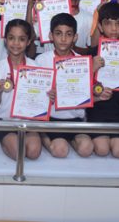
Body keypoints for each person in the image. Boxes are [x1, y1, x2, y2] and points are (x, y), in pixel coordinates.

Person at [35, 14, 94, 158]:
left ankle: (71, 141)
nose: (63, 39)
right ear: (50, 35)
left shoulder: (83, 62)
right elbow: (33, 95)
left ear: (75, 37)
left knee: (86, 149)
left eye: (68, 34)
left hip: (76, 120)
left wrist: (95, 94)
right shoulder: (41, 60)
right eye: (58, 34)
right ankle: (42, 136)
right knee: (60, 151)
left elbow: (87, 95)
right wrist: (46, 95)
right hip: (51, 120)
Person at [0, 19, 42, 161]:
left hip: (28, 122)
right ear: (5, 40)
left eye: (22, 39)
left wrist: (49, 96)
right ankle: (3, 140)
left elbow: (40, 100)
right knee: (20, 154)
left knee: (34, 152)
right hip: (5, 122)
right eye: (12, 38)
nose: (16, 44)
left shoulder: (35, 68)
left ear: (29, 41)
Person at [86, 2, 119, 158]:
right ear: (99, 26)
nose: (113, 29)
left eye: (118, 24)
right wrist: (91, 69)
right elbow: (76, 90)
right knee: (102, 149)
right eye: (108, 24)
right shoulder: (90, 54)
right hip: (96, 113)